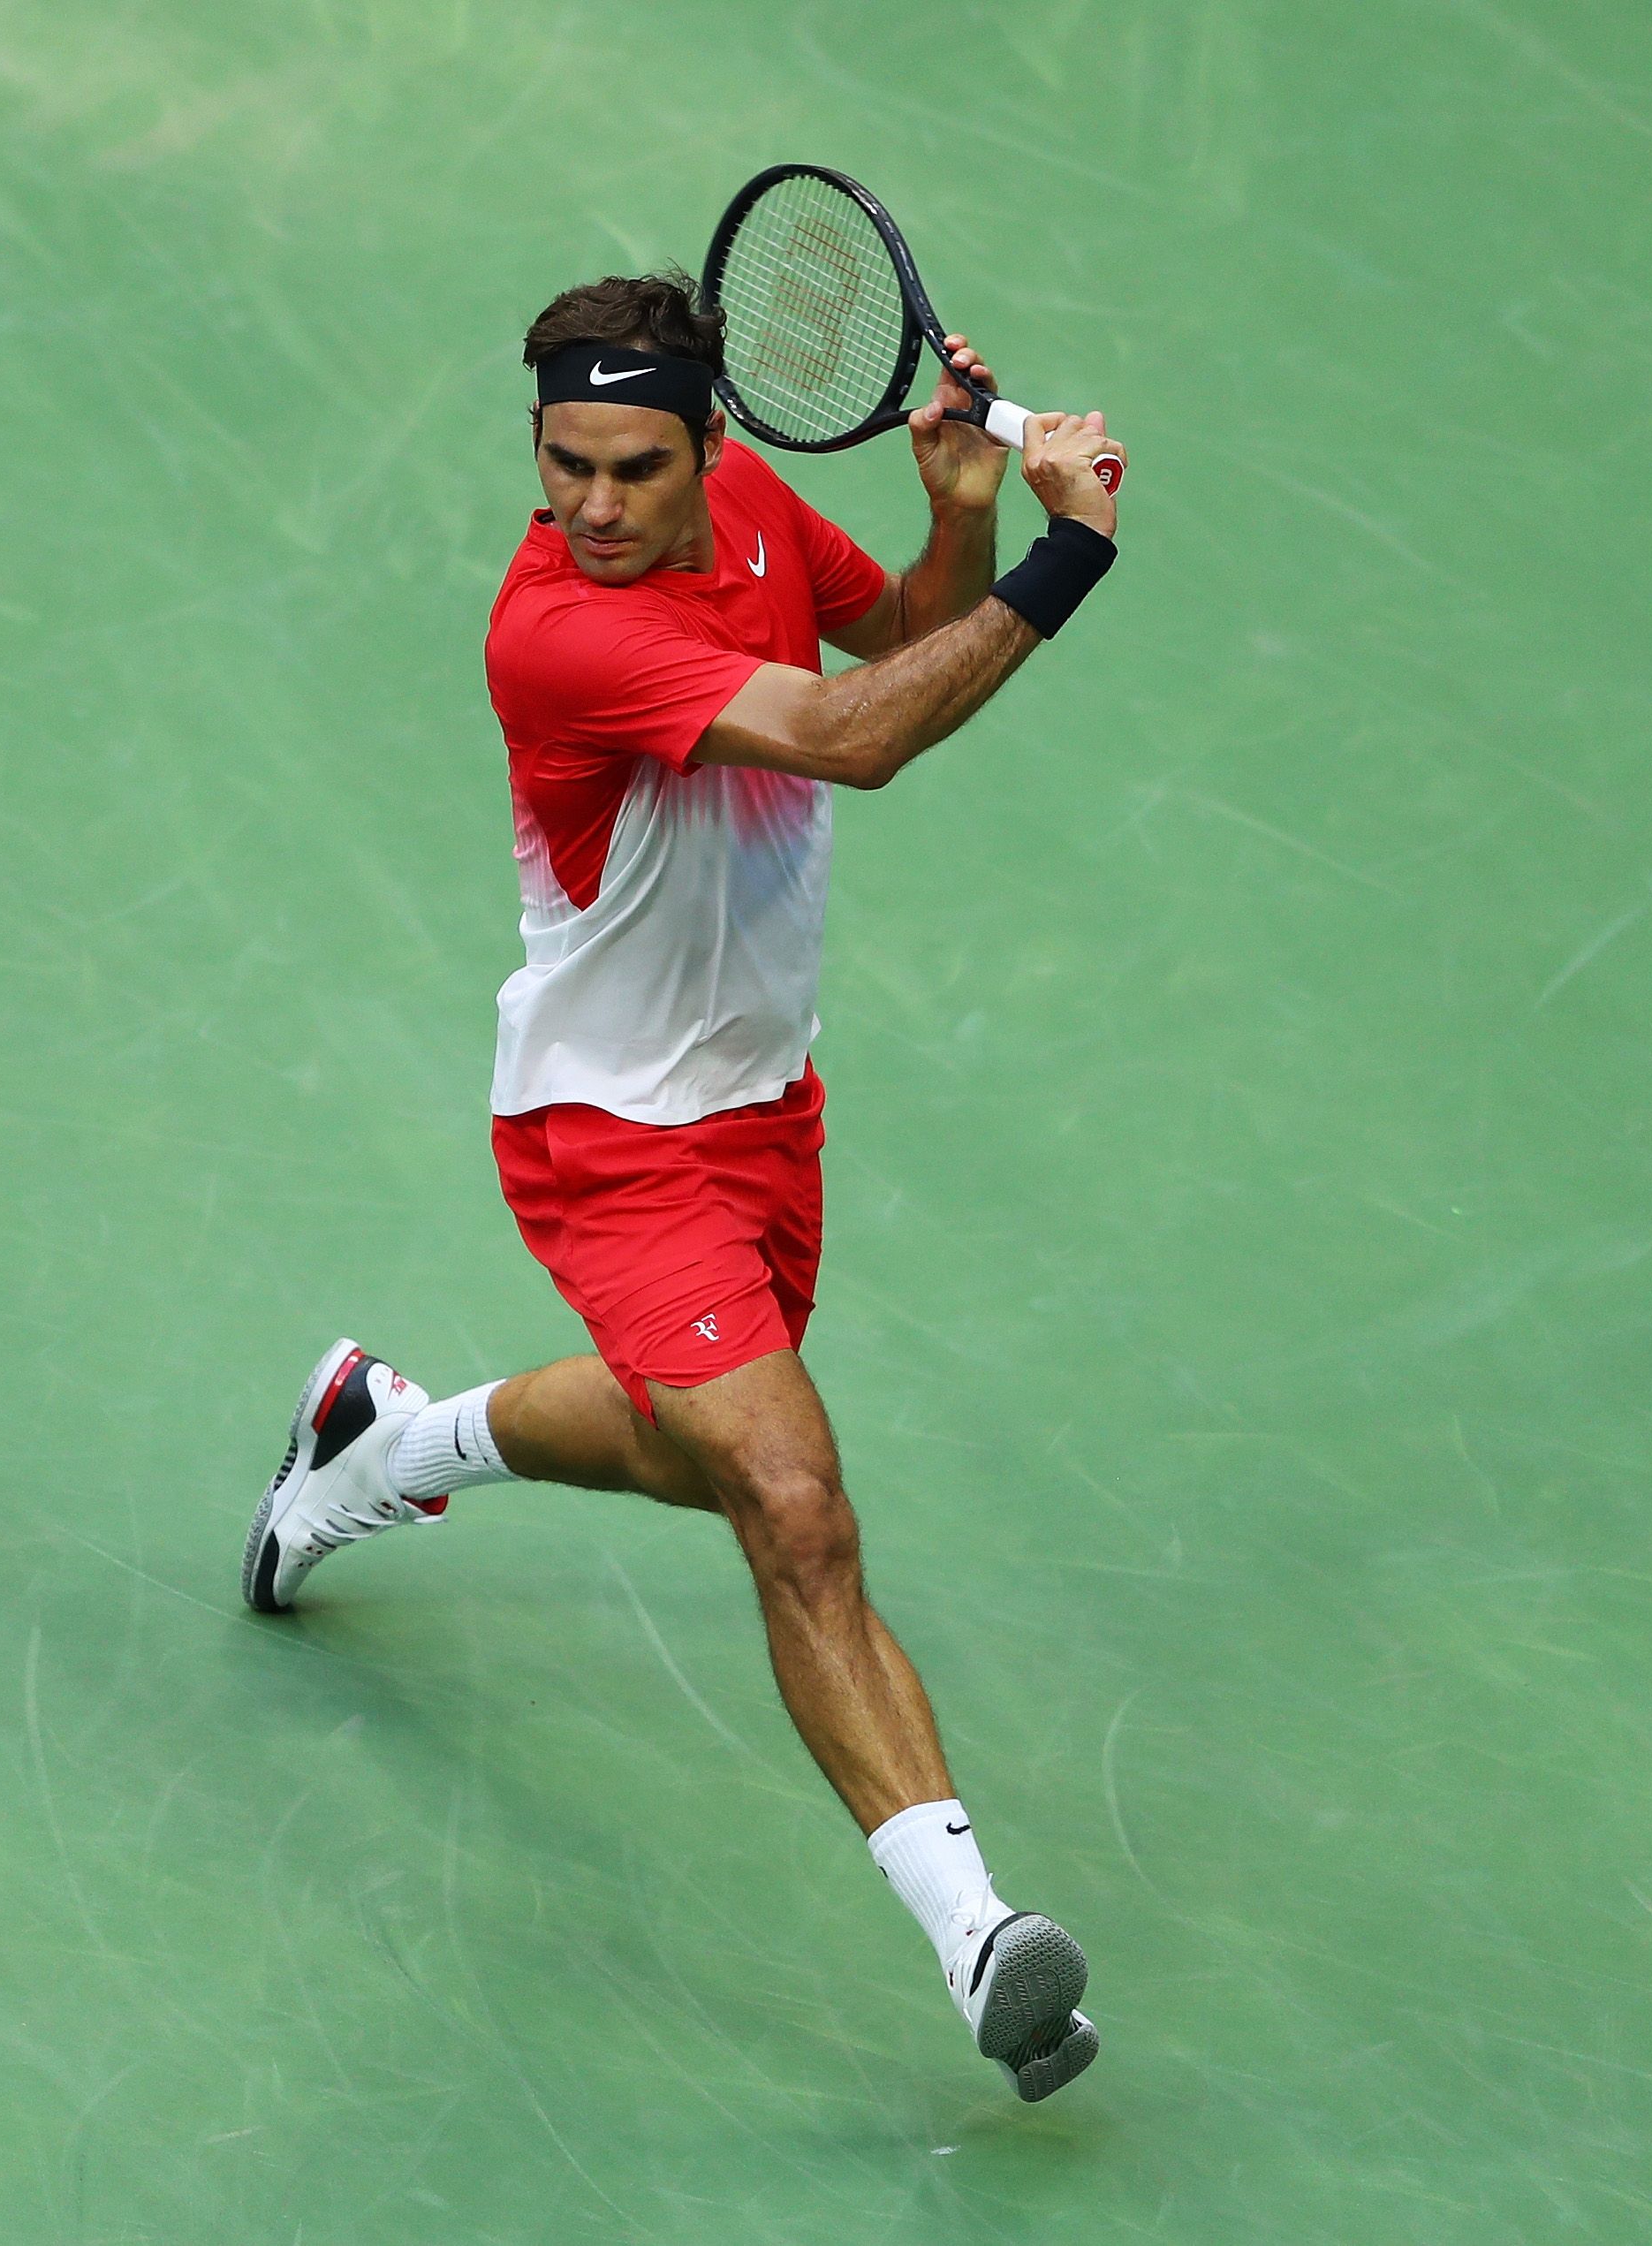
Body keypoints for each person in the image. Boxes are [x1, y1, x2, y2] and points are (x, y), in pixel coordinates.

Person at [239, 272, 1126, 2103]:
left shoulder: (750, 509)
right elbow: (857, 737)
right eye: (560, 461)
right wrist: (1070, 558)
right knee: (792, 1500)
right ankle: (977, 1936)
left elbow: (898, 644)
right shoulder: (555, 632)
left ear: (706, 444)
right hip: (609, 1134)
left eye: (633, 466)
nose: (591, 502)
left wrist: (962, 521)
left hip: (762, 1108)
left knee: (698, 1444)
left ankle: (382, 1442)